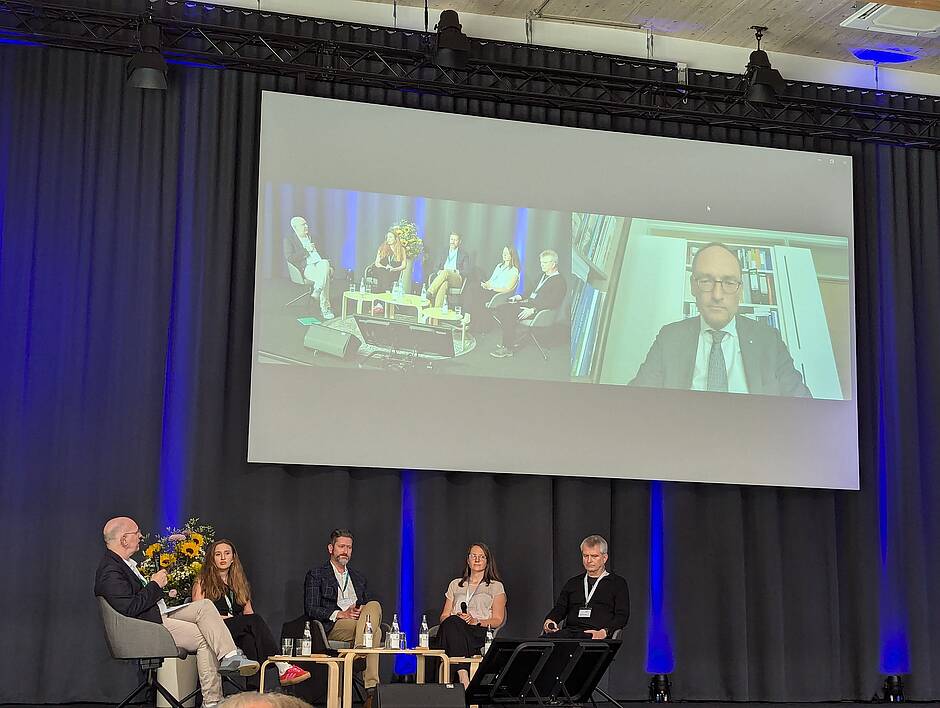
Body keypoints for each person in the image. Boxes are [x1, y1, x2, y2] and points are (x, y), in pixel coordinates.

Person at [94, 517, 259, 708]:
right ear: (124, 539)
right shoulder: (110, 570)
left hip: (156, 615)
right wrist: (155, 584)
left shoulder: (121, 564)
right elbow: (130, 608)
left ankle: (230, 657)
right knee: (206, 638)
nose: (140, 536)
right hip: (147, 625)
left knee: (205, 606)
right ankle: (213, 702)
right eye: (136, 532)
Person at [629, 242, 812, 397]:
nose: (717, 295)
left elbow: (802, 406)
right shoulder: (669, 337)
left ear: (740, 290)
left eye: (729, 282)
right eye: (706, 281)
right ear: (693, 286)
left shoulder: (769, 339)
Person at [192, 539, 310, 689]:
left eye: (227, 553)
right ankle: (282, 665)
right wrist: (227, 619)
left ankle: (252, 693)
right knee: (252, 621)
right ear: (212, 558)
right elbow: (198, 613)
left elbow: (249, 613)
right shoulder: (202, 581)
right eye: (218, 554)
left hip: (235, 630)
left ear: (233, 557)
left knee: (250, 639)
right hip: (214, 629)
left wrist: (248, 626)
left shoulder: (239, 583)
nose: (222, 558)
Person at [304, 529, 384, 691]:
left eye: (349, 548)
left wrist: (361, 610)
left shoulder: (358, 577)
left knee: (374, 605)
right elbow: (311, 608)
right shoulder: (317, 574)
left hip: (358, 622)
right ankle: (371, 688)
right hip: (334, 625)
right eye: (341, 546)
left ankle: (361, 648)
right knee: (376, 633)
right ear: (331, 548)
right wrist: (340, 614)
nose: (345, 551)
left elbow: (368, 607)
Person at [432, 543, 506, 688]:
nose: (477, 560)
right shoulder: (455, 584)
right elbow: (444, 616)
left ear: (487, 561)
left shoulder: (495, 586)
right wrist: (457, 619)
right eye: (473, 556)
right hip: (452, 629)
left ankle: (462, 678)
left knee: (453, 626)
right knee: (452, 621)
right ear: (468, 559)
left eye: (482, 557)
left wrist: (475, 620)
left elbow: (498, 620)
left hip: (477, 632)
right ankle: (464, 677)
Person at [542, 535, 629, 640]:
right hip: (570, 634)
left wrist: (605, 632)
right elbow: (560, 608)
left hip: (595, 636)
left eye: (594, 556)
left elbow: (622, 616)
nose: (589, 560)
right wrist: (550, 620)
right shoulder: (573, 583)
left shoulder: (617, 583)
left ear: (604, 558)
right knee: (538, 646)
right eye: (585, 556)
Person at [490, 249, 567, 358]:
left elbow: (553, 302)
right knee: (501, 308)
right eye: (541, 262)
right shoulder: (542, 275)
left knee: (507, 312)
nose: (542, 265)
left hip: (539, 311)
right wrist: (518, 297)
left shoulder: (559, 281)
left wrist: (533, 310)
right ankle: (511, 339)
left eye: (545, 263)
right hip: (528, 305)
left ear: (554, 264)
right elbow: (530, 290)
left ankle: (508, 347)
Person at [284, 216, 335, 320]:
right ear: (295, 228)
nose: (306, 226)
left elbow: (324, 254)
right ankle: (325, 308)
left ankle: (317, 290)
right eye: (303, 225)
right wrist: (306, 250)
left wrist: (331, 267)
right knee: (325, 278)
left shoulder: (313, 237)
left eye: (306, 224)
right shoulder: (289, 240)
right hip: (307, 267)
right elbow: (290, 258)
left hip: (320, 265)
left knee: (325, 263)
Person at [370, 229, 409, 314]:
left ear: (396, 238)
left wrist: (394, 269)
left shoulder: (401, 249)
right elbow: (377, 263)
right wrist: (385, 267)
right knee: (383, 272)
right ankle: (386, 296)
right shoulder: (382, 247)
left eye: (391, 237)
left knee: (385, 276)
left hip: (394, 272)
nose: (388, 239)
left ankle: (380, 304)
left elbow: (404, 265)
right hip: (380, 269)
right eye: (387, 237)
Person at [427, 232, 470, 308]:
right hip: (443, 277)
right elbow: (435, 267)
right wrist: (438, 271)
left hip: (456, 279)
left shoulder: (464, 254)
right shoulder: (443, 252)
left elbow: (467, 271)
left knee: (446, 272)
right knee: (444, 284)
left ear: (460, 242)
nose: (452, 242)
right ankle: (437, 313)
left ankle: (429, 292)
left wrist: (457, 271)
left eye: (455, 240)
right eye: (451, 239)